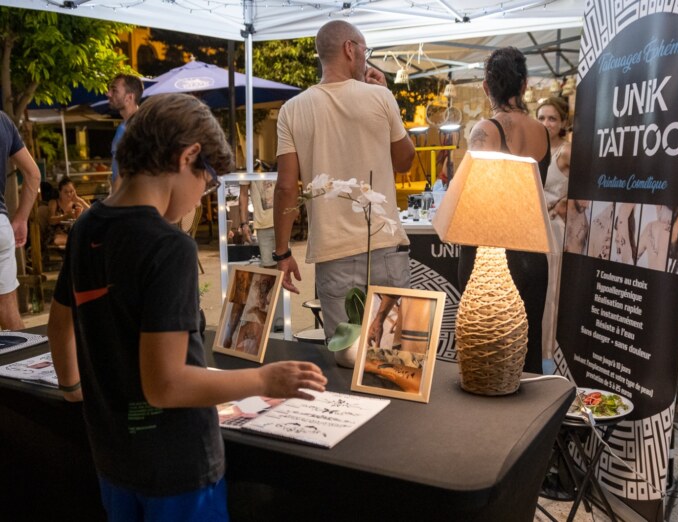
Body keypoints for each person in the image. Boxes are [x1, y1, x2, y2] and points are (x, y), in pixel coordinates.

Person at [47, 93, 327, 521]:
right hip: (177, 467)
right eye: (209, 181)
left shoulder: (87, 226)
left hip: (112, 457)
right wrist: (264, 378)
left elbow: (59, 322)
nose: (203, 197)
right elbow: (166, 385)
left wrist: (71, 389)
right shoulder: (168, 245)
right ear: (188, 156)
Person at [274, 20, 415, 340]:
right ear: (349, 49)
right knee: (394, 361)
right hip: (385, 247)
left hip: (332, 254)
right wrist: (387, 99)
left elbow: (285, 187)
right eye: (365, 50)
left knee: (346, 360)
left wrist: (282, 253)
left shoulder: (292, 110)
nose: (366, 58)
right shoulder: (380, 98)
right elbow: (405, 161)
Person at [460, 47, 550, 374]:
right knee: (528, 347)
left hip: (491, 254)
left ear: (486, 86)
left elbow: (474, 195)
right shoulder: (542, 131)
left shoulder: (485, 130)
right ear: (524, 85)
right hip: (532, 250)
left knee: (487, 349)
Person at [536, 96, 571, 359]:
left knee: (551, 293)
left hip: (554, 230)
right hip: (532, 229)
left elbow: (590, 186)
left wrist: (565, 205)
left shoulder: (567, 151)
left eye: (552, 118)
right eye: (541, 118)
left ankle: (549, 357)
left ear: (563, 123)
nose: (546, 123)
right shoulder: (534, 149)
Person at [0, 111, 41, 330]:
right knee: (8, 312)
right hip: (1, 226)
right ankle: (26, 363)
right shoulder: (4, 121)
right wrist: (21, 218)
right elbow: (33, 174)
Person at [107, 74, 143, 193]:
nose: (108, 94)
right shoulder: (125, 126)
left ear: (129, 97)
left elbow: (125, 172)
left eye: (114, 90)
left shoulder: (137, 128)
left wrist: (114, 202)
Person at [239, 179, 276, 268]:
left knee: (284, 267)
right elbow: (243, 194)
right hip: (263, 223)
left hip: (282, 220)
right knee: (268, 267)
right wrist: (244, 224)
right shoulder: (249, 165)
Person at [47, 177, 90, 247]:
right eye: (66, 192)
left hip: (73, 234)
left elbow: (93, 214)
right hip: (57, 236)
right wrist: (66, 216)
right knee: (58, 239)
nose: (69, 194)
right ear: (60, 192)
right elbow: (50, 220)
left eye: (71, 191)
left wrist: (79, 200)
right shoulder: (54, 203)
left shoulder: (77, 204)